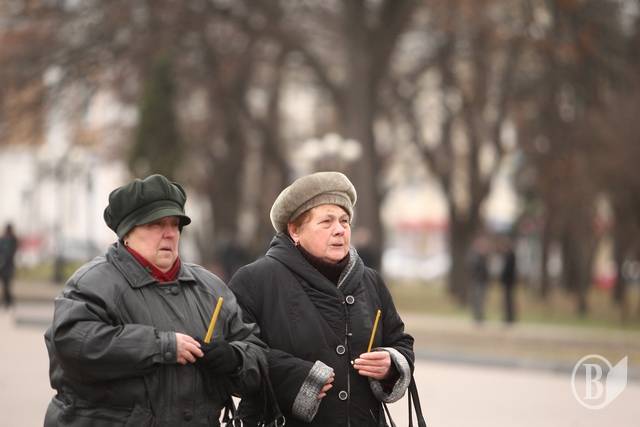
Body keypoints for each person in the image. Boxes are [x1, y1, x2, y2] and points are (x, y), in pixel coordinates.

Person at [44, 174, 265, 426]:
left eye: (175, 225)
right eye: (156, 224)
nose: (169, 234)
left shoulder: (211, 288)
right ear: (127, 233)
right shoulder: (92, 283)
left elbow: (257, 353)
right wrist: (162, 346)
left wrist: (235, 359)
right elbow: (72, 344)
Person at [229, 171, 415, 426]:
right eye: (327, 222)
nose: (339, 230)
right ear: (295, 230)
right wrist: (300, 378)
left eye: (344, 221)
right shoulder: (255, 280)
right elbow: (236, 356)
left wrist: (391, 364)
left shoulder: (370, 281)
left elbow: (400, 341)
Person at [468, 234, 490, 324]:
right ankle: (477, 317)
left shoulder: (484, 256)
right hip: (477, 280)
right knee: (476, 299)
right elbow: (473, 268)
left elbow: (486, 270)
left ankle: (480, 317)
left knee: (481, 300)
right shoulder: (475, 255)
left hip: (482, 281)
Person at [0, 223, 19, 308]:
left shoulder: (12, 239)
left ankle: (8, 301)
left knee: (7, 285)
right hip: (4, 266)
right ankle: (8, 301)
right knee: (5, 285)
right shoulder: (4, 239)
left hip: (8, 266)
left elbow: (12, 252)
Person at [500, 236, 517, 324]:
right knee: (507, 300)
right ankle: (508, 317)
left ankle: (509, 317)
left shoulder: (510, 255)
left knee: (509, 300)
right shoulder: (509, 255)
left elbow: (508, 270)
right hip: (508, 281)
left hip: (508, 282)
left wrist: (503, 277)